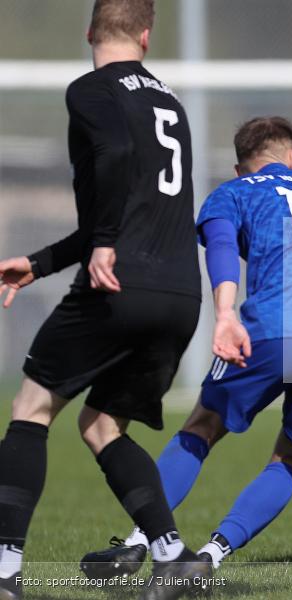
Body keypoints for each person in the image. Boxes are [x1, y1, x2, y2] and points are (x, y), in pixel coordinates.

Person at [78, 117, 292, 575]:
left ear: (240, 167)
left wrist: (227, 314)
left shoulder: (236, 192)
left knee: (202, 426)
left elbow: (218, 248)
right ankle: (210, 559)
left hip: (274, 328)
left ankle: (144, 541)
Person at [0, 2, 210, 599]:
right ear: (146, 36)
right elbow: (115, 212)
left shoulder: (91, 90)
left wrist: (107, 245)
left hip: (122, 285)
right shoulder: (170, 103)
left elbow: (114, 172)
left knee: (32, 405)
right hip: (178, 296)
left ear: (90, 32)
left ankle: (4, 572)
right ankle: (174, 559)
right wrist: (40, 264)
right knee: (100, 424)